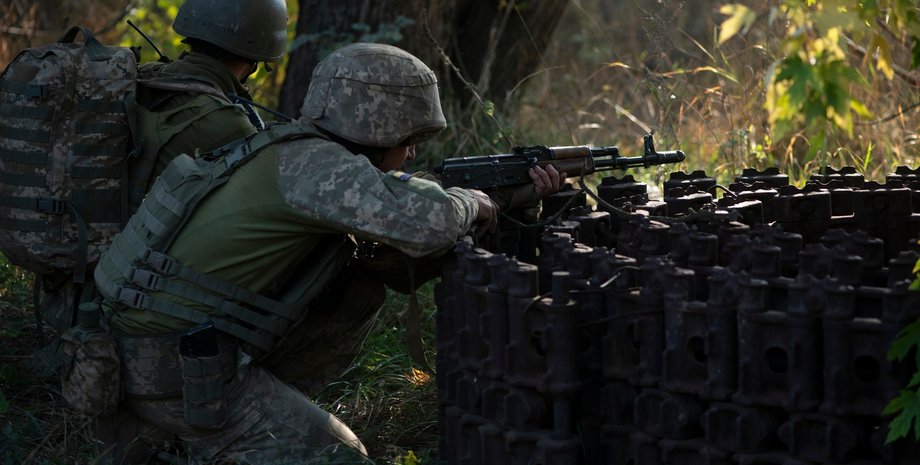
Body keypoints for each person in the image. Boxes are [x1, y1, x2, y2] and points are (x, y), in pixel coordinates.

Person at [90, 42, 562, 464]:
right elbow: (428, 223)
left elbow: (395, 249)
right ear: (380, 128)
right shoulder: (315, 168)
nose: (412, 155)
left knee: (357, 280)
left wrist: (502, 198)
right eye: (409, 141)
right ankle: (193, 433)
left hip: (150, 348)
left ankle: (191, 429)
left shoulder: (291, 151)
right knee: (341, 458)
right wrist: (474, 201)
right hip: (173, 368)